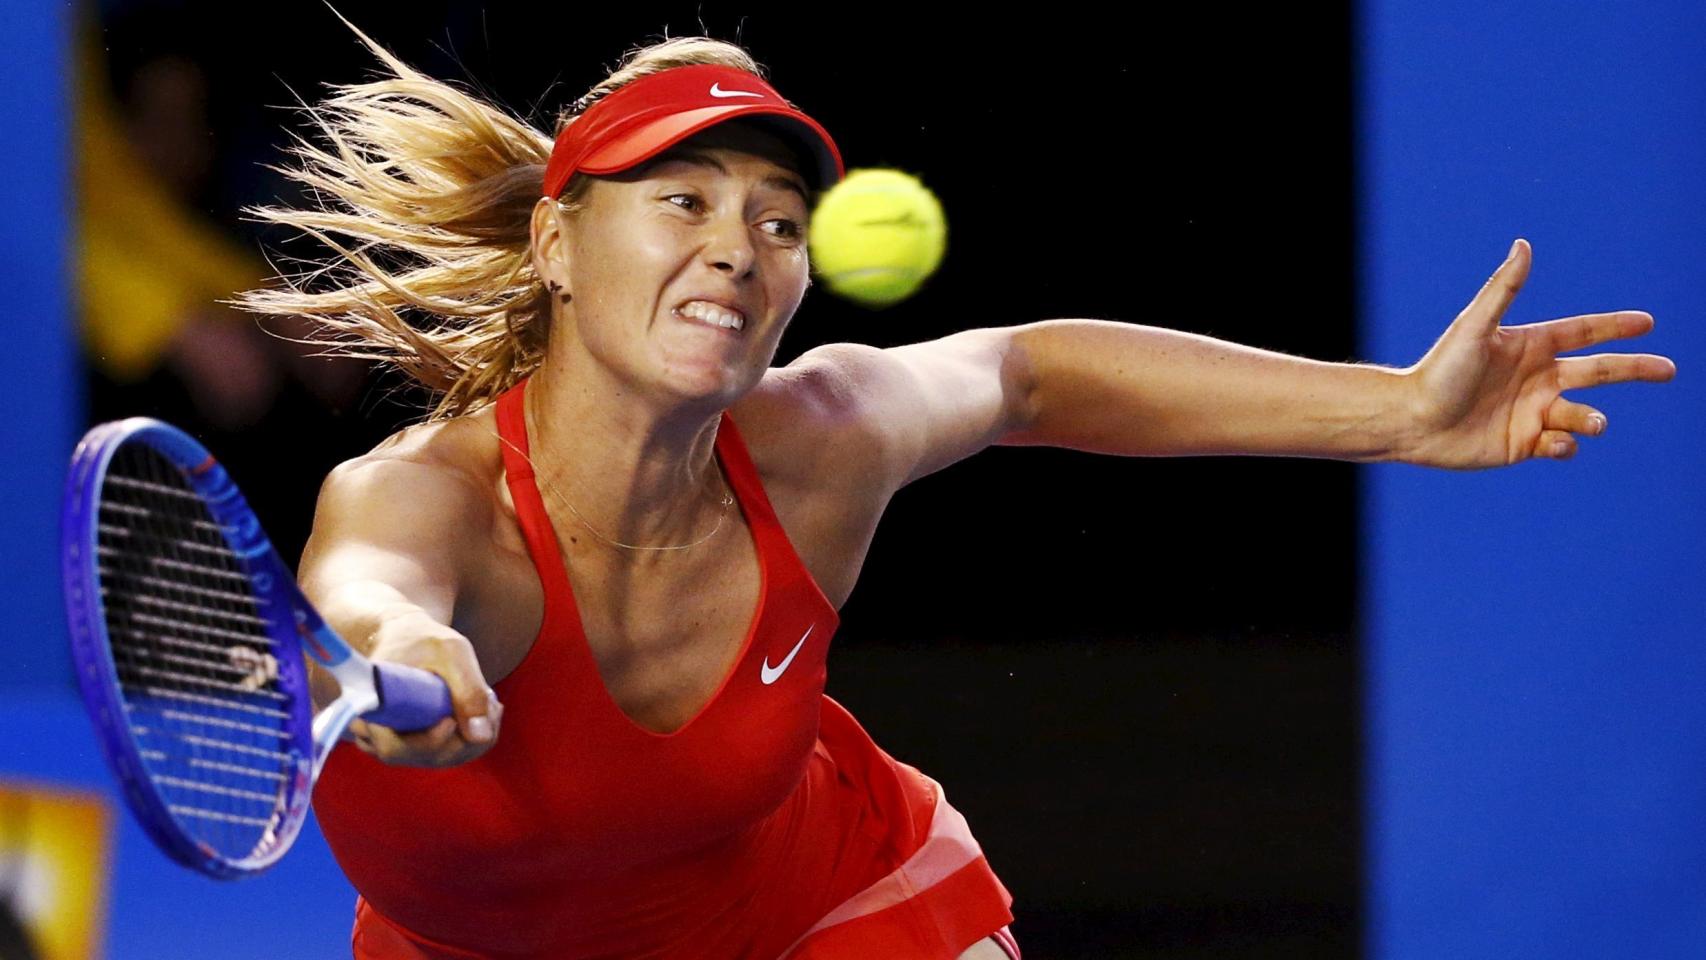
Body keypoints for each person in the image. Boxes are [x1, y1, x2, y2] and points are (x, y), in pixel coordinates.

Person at [230, 16, 1675, 960]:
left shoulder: (821, 438)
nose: (740, 244)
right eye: (683, 199)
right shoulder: (427, 499)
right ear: (555, 246)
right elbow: (370, 593)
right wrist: (403, 654)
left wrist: (1402, 415)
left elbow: (1031, 375)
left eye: (777, 218)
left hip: (828, 903)